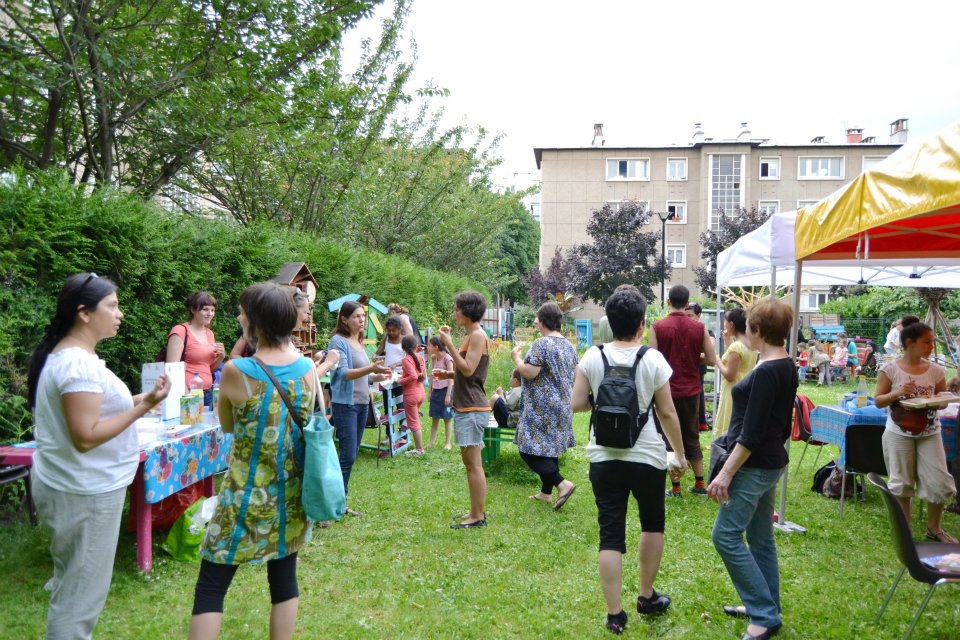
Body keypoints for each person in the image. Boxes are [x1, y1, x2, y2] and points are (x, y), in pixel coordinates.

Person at [189, 281, 338, 640]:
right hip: (289, 495)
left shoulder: (236, 370)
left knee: (211, 584)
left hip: (243, 495)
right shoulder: (307, 368)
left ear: (255, 322)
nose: (239, 318)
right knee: (284, 580)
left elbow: (228, 425)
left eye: (242, 313)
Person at [27, 273, 172, 638]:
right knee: (78, 602)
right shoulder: (77, 364)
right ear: (84, 313)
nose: (120, 314)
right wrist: (142, 409)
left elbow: (93, 412)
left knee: (73, 588)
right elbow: (86, 437)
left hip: (75, 486)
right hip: (85, 493)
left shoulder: (72, 358)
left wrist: (144, 399)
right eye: (113, 306)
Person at [570, 285, 688, 635]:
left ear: (609, 320)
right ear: (641, 323)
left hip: (603, 457)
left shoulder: (593, 356)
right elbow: (667, 412)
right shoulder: (653, 359)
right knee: (652, 524)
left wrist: (601, 404)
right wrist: (680, 454)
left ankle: (614, 614)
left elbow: (576, 403)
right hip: (647, 456)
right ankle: (646, 596)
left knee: (610, 534)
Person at [707, 298, 798, 640]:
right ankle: (765, 604)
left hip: (753, 465)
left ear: (757, 330)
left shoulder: (767, 372)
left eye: (748, 326)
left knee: (725, 535)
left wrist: (726, 473)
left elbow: (751, 433)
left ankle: (764, 614)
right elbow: (775, 425)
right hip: (770, 463)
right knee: (760, 538)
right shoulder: (785, 364)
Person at [874, 315, 957, 544]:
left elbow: (941, 399)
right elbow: (879, 401)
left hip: (930, 432)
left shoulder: (936, 370)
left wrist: (939, 401)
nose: (931, 346)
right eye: (927, 342)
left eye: (932, 342)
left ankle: (934, 529)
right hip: (898, 433)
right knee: (902, 484)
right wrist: (898, 393)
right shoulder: (890, 370)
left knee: (939, 481)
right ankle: (905, 533)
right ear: (910, 343)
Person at [649, 284, 717, 497]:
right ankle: (700, 483)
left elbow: (652, 361)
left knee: (668, 436)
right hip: (692, 390)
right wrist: (694, 356)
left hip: (666, 390)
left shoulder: (657, 327)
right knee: (692, 435)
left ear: (668, 302)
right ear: (687, 303)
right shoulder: (699, 328)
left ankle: (676, 487)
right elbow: (712, 359)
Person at [511, 301, 580, 509]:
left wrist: (517, 359)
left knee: (527, 449)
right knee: (550, 449)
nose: (536, 324)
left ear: (542, 322)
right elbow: (576, 376)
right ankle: (546, 493)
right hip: (564, 405)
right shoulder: (569, 346)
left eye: (537, 321)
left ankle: (562, 484)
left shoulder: (541, 344)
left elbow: (529, 372)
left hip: (542, 407)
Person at [328, 301, 392, 517]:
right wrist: (371, 368)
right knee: (347, 455)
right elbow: (344, 373)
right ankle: (332, 505)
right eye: (356, 316)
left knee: (352, 454)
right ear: (344, 319)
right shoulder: (338, 341)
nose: (362, 320)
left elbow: (362, 374)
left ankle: (339, 503)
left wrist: (375, 376)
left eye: (363, 316)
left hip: (363, 404)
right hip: (346, 405)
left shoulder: (358, 340)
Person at [436, 291, 490, 529]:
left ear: (467, 311)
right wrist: (449, 374)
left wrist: (448, 344)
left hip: (473, 407)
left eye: (457, 309)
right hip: (467, 405)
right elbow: (469, 371)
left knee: (473, 464)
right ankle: (475, 511)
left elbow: (468, 369)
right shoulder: (472, 335)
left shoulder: (477, 335)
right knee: (470, 463)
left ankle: (477, 516)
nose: (454, 313)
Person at [166, 291, 225, 406]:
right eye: (205, 309)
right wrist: (188, 397)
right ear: (193, 310)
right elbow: (172, 370)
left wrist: (221, 357)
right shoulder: (180, 331)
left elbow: (207, 369)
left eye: (212, 310)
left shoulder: (209, 333)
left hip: (208, 393)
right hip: (188, 392)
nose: (210, 314)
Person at [713, 308, 758, 438]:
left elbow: (729, 375)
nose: (724, 325)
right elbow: (737, 362)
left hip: (733, 389)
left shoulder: (736, 346)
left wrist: (717, 360)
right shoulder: (751, 344)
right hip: (746, 387)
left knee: (730, 427)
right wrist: (728, 341)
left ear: (731, 324)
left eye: (725, 322)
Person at [684, 302, 715, 431]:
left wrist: (690, 354)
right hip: (684, 371)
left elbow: (710, 352)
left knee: (697, 397)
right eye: (685, 316)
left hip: (697, 371)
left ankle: (698, 424)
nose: (687, 319)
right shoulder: (684, 331)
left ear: (699, 315)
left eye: (690, 316)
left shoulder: (706, 331)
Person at [398, 335, 427, 455]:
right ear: (416, 346)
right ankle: (405, 424)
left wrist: (400, 381)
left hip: (411, 395)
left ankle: (419, 450)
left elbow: (413, 376)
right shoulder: (420, 357)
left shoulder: (406, 359)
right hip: (421, 393)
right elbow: (422, 376)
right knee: (413, 419)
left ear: (403, 348)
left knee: (414, 423)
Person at [426, 336, 454, 449]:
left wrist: (448, 395)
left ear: (436, 347)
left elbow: (451, 377)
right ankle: (431, 442)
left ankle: (448, 443)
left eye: (429, 345)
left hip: (446, 390)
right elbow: (432, 375)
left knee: (447, 418)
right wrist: (430, 391)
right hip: (436, 391)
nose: (427, 347)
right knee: (435, 417)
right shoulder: (434, 358)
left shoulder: (448, 359)